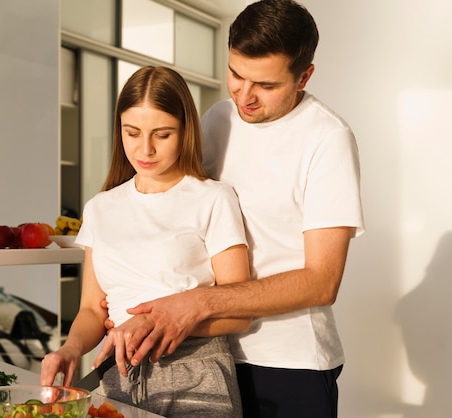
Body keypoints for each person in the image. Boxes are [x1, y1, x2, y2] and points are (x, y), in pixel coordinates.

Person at [93, 1, 365, 417]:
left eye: (266, 85)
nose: (245, 95)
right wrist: (139, 305)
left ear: (303, 76)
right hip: (204, 354)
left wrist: (195, 303)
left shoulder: (327, 139)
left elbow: (321, 281)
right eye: (236, 74)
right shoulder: (218, 118)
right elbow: (180, 212)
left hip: (289, 361)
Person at [40, 66, 251, 417]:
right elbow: (93, 309)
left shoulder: (213, 198)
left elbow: (239, 313)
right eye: (132, 132)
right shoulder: (101, 207)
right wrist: (72, 347)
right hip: (116, 379)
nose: (146, 149)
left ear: (185, 131)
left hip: (195, 377)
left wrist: (157, 324)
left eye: (163, 134)